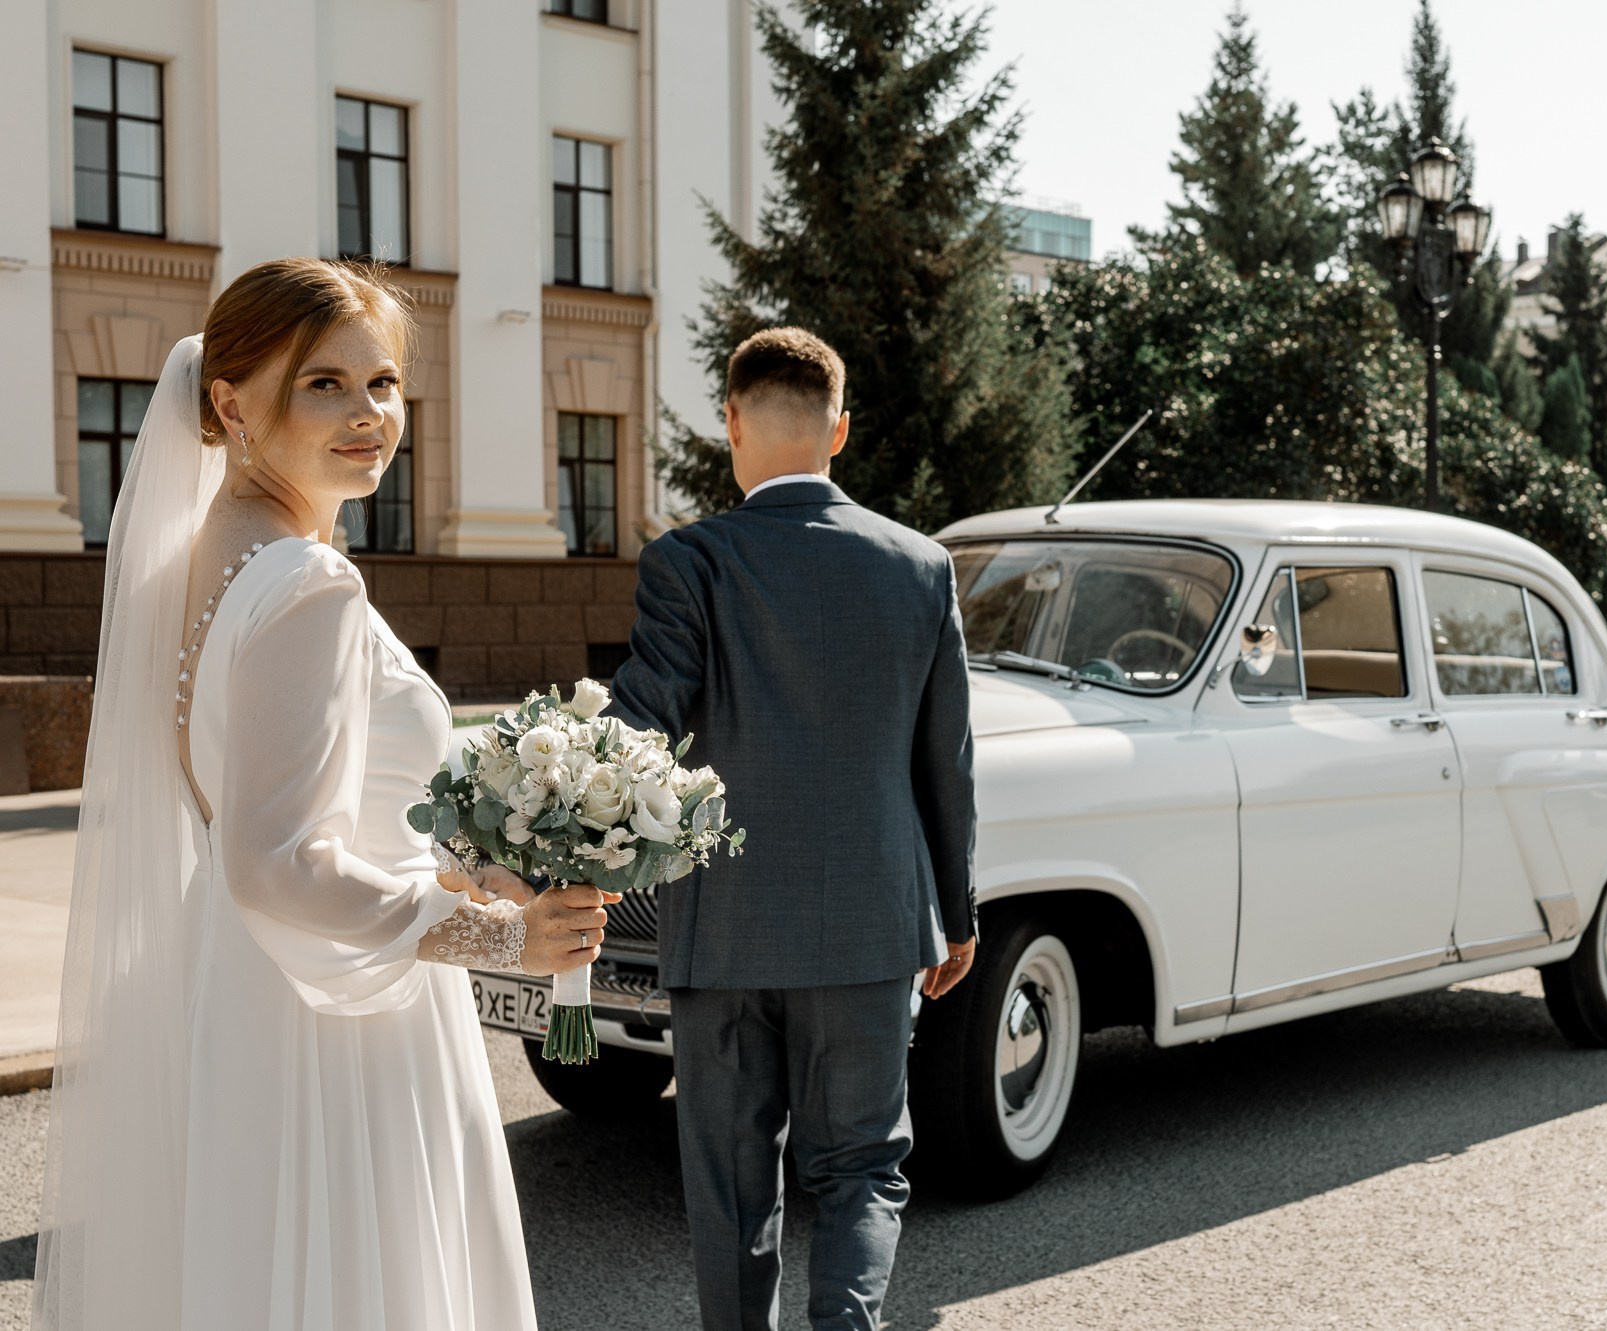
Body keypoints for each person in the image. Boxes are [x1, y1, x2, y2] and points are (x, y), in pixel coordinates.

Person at [32, 258, 617, 1330]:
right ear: (229, 403)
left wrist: (481, 859)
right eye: (324, 385)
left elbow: (279, 806)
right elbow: (279, 859)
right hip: (336, 1024)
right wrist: (501, 940)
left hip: (240, 991)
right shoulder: (308, 584)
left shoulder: (206, 557)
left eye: (383, 383)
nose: (368, 416)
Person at [611, 327, 978, 1331]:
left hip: (722, 928)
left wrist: (549, 794)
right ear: (841, 430)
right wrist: (956, 910)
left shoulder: (688, 561)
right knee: (864, 1163)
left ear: (729, 422)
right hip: (872, 922)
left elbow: (639, 719)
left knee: (730, 1185)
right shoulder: (920, 566)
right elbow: (943, 760)